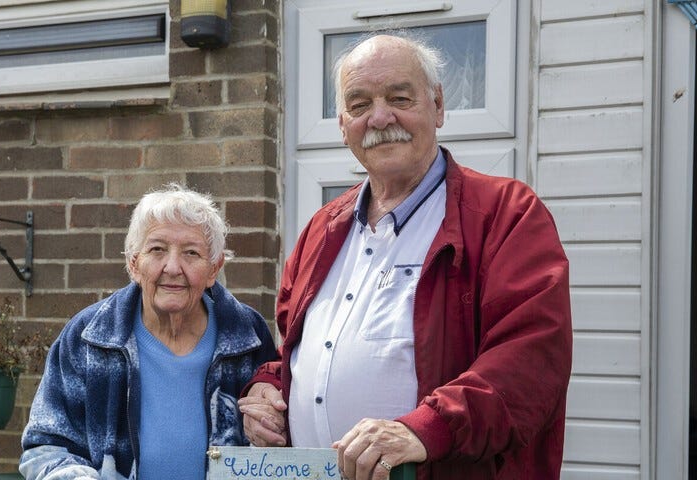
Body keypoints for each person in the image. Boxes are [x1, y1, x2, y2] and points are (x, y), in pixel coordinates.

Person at [238, 33, 572, 480]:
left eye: (399, 97)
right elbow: (299, 351)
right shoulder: (322, 229)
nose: (379, 117)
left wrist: (426, 429)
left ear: (436, 105)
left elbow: (531, 358)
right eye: (359, 105)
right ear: (342, 124)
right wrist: (270, 387)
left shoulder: (506, 214)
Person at [20, 183, 279, 480]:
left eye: (191, 253)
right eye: (157, 249)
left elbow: (277, 446)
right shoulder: (88, 337)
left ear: (214, 268)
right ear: (133, 264)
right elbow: (46, 445)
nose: (172, 267)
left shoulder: (248, 336)